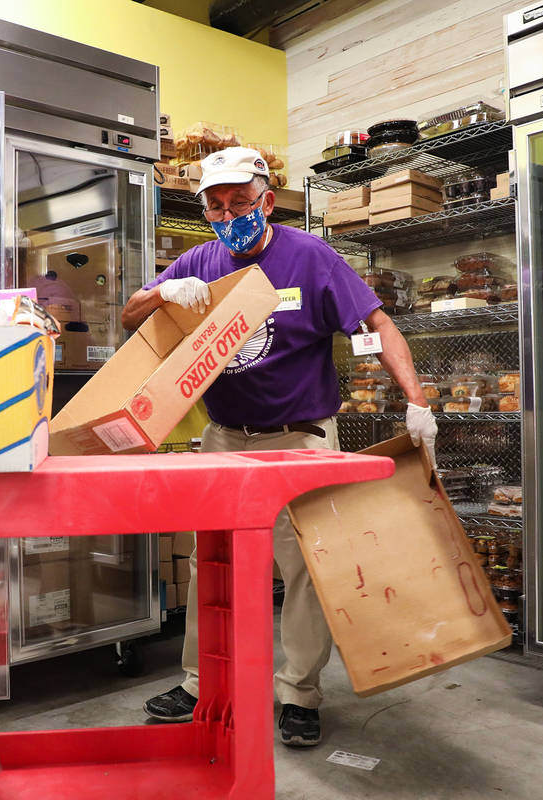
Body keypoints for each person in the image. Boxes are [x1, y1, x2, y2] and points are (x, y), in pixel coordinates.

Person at [122, 146, 436, 747]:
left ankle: (299, 693)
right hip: (224, 439)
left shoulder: (310, 257)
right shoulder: (200, 259)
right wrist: (166, 292)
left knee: (307, 567)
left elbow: (378, 324)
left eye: (240, 201)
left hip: (303, 438)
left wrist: (415, 400)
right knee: (207, 559)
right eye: (216, 205)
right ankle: (199, 682)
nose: (228, 213)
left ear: (266, 200)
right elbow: (133, 313)